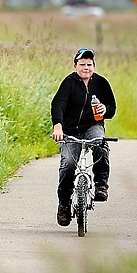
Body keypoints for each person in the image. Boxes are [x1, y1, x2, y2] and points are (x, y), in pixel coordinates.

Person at [51, 48, 116, 227]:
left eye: (89, 64)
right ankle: (64, 205)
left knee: (100, 144)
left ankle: (101, 185)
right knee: (68, 165)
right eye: (82, 64)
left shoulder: (102, 83)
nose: (85, 67)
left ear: (94, 66)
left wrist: (105, 110)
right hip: (70, 130)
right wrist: (58, 126)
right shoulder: (69, 83)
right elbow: (58, 105)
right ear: (75, 66)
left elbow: (112, 108)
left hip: (92, 126)